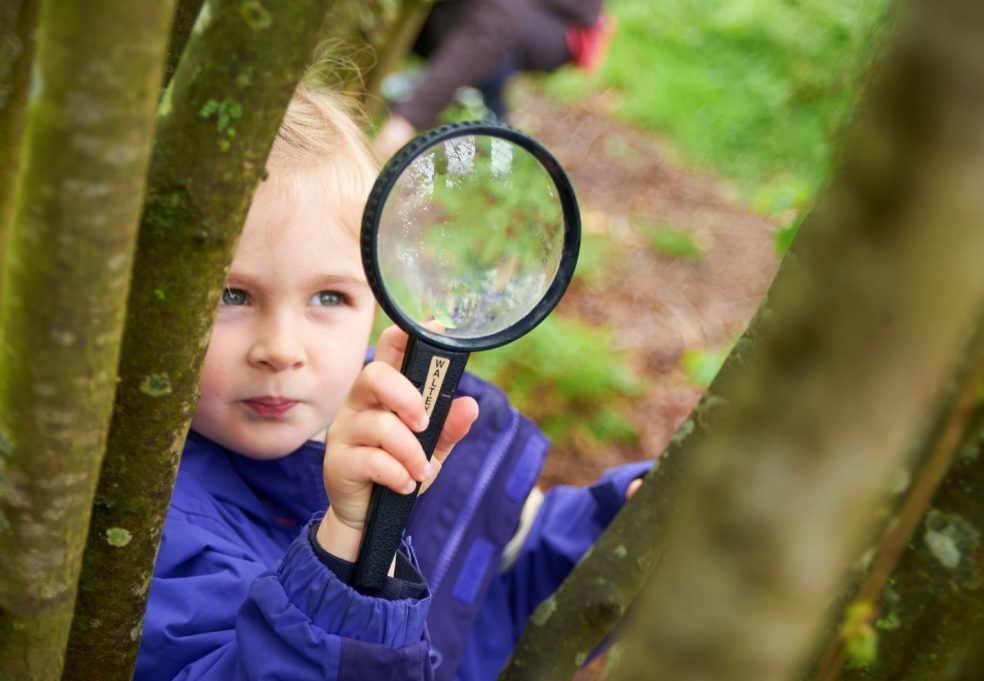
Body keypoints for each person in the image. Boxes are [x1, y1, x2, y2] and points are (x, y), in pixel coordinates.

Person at [135, 81, 647, 681]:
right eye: (231, 295)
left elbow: (509, 577)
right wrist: (354, 542)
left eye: (329, 296)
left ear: (377, 303)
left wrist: (629, 528)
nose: (281, 350)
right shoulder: (147, 533)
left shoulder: (423, 429)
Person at [376, 0, 615, 157]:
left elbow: (585, 11)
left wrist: (405, 121)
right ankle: (466, 89)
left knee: (499, 17)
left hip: (554, 25)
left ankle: (485, 104)